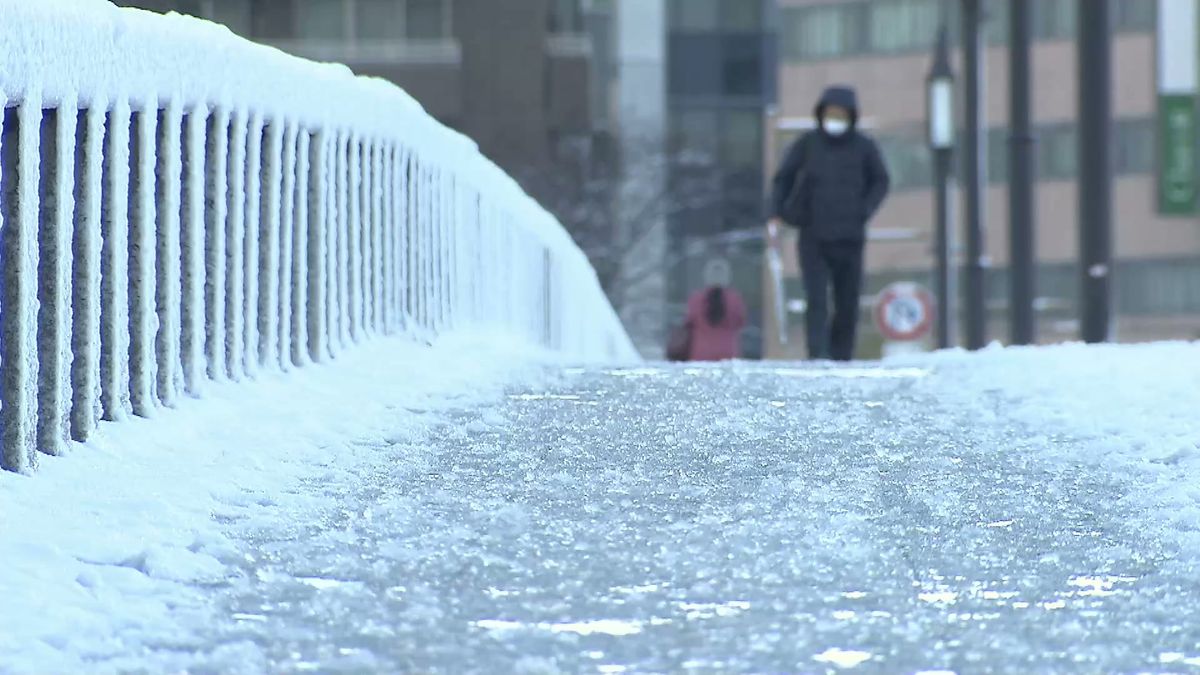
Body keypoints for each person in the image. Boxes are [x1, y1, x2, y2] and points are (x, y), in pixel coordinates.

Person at [768, 85, 890, 361]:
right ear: (821, 114)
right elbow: (784, 178)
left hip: (850, 236)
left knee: (847, 302)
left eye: (841, 114)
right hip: (813, 235)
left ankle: (842, 356)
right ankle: (817, 355)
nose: (835, 120)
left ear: (851, 116)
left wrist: (864, 209)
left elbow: (881, 180)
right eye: (831, 113)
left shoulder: (864, 147)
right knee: (816, 299)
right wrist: (775, 210)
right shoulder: (807, 145)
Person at [683, 259, 747, 362]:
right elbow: (741, 322)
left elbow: (689, 322)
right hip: (728, 352)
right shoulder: (735, 299)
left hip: (701, 353)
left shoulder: (696, 299)